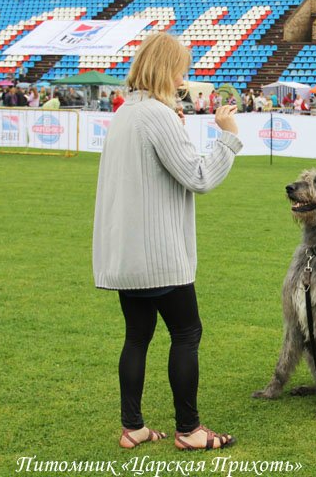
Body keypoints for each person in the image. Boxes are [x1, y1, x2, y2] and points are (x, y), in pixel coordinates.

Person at [92, 32, 242, 451]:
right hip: (157, 254)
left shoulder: (127, 112)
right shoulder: (155, 114)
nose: (185, 76)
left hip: (126, 251)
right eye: (181, 67)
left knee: (137, 336)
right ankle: (190, 430)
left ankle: (133, 426)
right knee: (186, 333)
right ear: (166, 68)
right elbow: (199, 176)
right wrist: (227, 136)